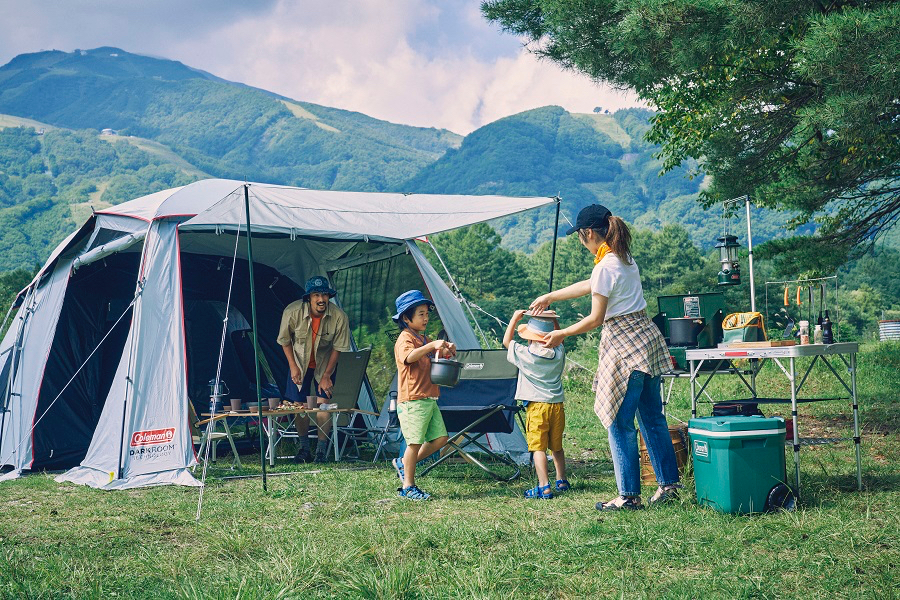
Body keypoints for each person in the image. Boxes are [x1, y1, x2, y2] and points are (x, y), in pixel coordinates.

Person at [529, 204, 679, 510]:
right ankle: (669, 486)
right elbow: (592, 285)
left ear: (588, 233)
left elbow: (596, 318)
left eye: (580, 237)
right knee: (652, 418)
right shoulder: (623, 259)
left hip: (625, 348)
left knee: (619, 423)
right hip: (646, 342)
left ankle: (628, 496)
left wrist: (561, 334)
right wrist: (551, 296)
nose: (581, 242)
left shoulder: (605, 266)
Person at [277, 275, 351, 463]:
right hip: (299, 361)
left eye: (324, 295)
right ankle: (304, 449)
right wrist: (293, 367)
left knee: (322, 405)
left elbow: (338, 348)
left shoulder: (339, 317)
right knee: (299, 406)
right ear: (308, 298)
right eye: (316, 295)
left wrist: (327, 375)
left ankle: (321, 451)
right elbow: (284, 341)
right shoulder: (292, 312)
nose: (321, 299)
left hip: (325, 362)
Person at [390, 290, 456, 501]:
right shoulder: (405, 338)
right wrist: (431, 345)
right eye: (420, 314)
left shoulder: (423, 338)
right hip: (413, 399)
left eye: (427, 313)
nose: (426, 318)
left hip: (429, 397)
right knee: (414, 443)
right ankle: (408, 486)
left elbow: (431, 357)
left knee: (440, 439)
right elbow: (408, 358)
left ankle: (405, 463)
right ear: (406, 318)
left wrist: (446, 350)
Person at [503, 309, 569, 500]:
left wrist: (514, 318)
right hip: (556, 406)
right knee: (556, 446)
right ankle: (561, 479)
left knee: (538, 448)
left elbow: (507, 343)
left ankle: (544, 486)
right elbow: (561, 340)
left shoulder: (526, 355)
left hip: (537, 407)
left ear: (531, 338)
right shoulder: (558, 352)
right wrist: (554, 321)